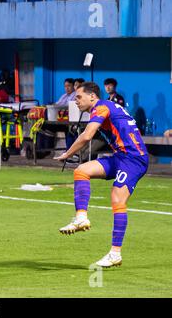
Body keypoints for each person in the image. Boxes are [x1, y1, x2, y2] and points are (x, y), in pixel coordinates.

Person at [54, 82, 149, 268]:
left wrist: (67, 154)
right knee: (82, 171)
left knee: (117, 199)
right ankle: (81, 217)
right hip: (121, 156)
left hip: (134, 159)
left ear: (92, 96)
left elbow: (87, 136)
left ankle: (115, 254)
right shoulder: (105, 107)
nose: (75, 101)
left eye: (78, 97)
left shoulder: (102, 106)